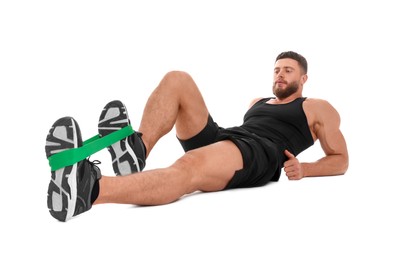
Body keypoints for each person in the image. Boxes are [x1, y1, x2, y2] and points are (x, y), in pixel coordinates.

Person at [45, 51, 349, 222]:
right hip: (229, 136)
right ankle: (139, 148)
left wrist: (306, 169)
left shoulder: (317, 107)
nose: (280, 75)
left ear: (303, 78)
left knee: (188, 166)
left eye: (288, 71)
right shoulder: (257, 103)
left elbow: (341, 160)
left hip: (259, 152)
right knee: (178, 79)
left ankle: (90, 190)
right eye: (277, 70)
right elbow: (232, 134)